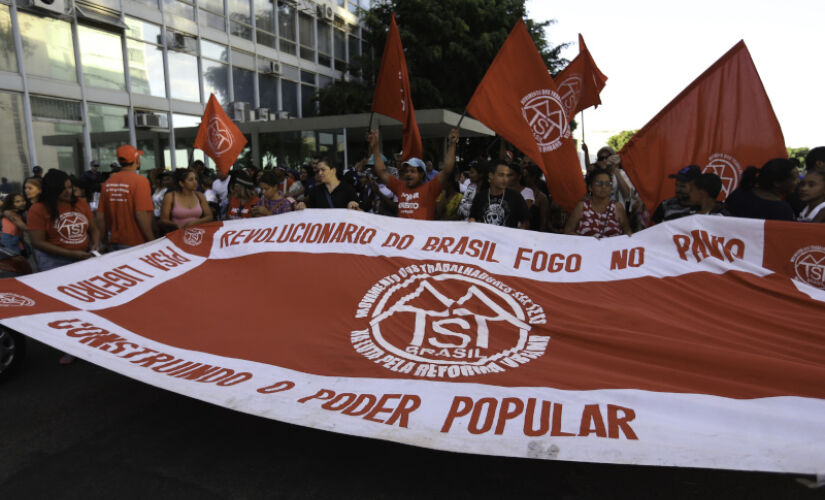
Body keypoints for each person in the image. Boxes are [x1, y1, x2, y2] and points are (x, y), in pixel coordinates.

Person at [369, 128, 459, 220]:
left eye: (412, 171)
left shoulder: (430, 189)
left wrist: (452, 145)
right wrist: (375, 147)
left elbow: (447, 170)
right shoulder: (400, 187)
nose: (408, 174)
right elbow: (381, 172)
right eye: (406, 171)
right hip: (404, 234)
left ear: (422, 174)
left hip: (422, 234)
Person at [96, 144, 155, 250]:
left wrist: (104, 241)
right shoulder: (140, 182)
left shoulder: (108, 183)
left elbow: (100, 216)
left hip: (114, 242)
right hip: (136, 243)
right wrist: (152, 240)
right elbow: (141, 213)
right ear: (137, 160)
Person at [565, 168, 632, 237]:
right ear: (590, 187)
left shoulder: (618, 207)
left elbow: (628, 232)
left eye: (608, 183)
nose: (604, 187)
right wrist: (587, 241)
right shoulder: (582, 207)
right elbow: (568, 232)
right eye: (599, 183)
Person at [725, 158, 798, 221]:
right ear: (777, 183)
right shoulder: (782, 211)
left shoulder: (738, 194)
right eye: (794, 178)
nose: (798, 181)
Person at [469, 161, 530, 229]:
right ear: (491, 175)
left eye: (507, 175)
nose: (505, 179)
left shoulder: (516, 197)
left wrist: (515, 237)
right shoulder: (479, 197)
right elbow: (472, 219)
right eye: (501, 175)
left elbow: (525, 222)